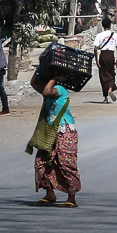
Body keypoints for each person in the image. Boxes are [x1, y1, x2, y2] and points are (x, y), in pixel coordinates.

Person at [32, 76, 80, 207]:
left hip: (64, 130)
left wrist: (53, 77)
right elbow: (34, 83)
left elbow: (47, 91)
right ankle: (49, 194)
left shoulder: (60, 89)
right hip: (49, 132)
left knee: (66, 163)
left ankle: (72, 197)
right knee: (42, 162)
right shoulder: (47, 91)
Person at [93, 17, 117, 103]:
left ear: (102, 26)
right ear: (110, 25)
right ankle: (110, 88)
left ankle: (105, 98)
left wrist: (97, 59)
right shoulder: (115, 35)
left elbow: (95, 48)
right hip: (111, 55)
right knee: (111, 73)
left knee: (103, 75)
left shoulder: (99, 35)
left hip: (103, 55)